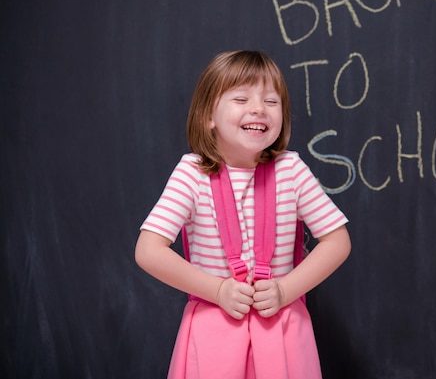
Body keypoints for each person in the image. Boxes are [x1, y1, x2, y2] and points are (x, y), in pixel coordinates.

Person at [135, 50, 351, 379]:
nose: (258, 109)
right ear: (209, 115)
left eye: (271, 101)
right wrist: (218, 290)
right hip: (214, 330)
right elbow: (148, 251)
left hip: (282, 329)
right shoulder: (191, 174)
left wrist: (285, 290)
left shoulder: (291, 169)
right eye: (241, 98)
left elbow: (337, 241)